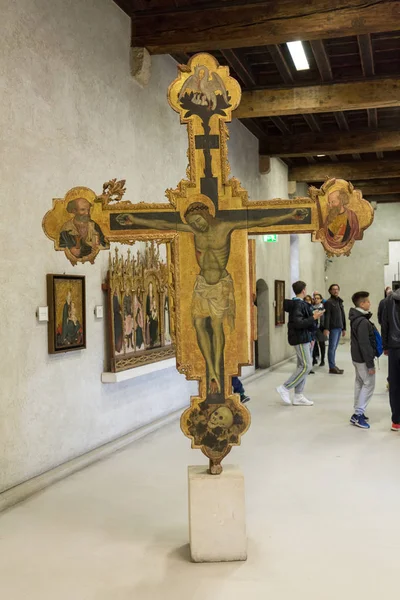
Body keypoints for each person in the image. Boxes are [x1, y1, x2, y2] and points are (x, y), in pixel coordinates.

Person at [117, 196, 308, 397]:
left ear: (207, 215)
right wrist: (135, 220)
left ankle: (218, 369)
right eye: (192, 223)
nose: (196, 225)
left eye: (198, 220)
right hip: (201, 284)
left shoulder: (225, 227)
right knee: (198, 324)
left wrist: (289, 215)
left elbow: (258, 221)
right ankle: (211, 368)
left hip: (220, 286)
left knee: (217, 326)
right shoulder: (193, 231)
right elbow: (162, 223)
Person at [276, 280, 324, 406]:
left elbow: (302, 319)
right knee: (307, 366)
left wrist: (313, 316)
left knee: (301, 366)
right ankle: (285, 387)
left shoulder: (300, 304)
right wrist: (313, 318)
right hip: (300, 338)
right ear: (304, 290)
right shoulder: (298, 305)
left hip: (305, 337)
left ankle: (298, 395)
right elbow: (298, 323)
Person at [348, 291, 376, 429]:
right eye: (368, 301)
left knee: (359, 383)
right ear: (362, 303)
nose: (370, 303)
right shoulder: (363, 321)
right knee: (369, 384)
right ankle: (359, 415)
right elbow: (365, 344)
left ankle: (357, 412)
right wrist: (370, 364)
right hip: (363, 359)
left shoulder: (355, 318)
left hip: (356, 357)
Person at [381, 287, 400, 431]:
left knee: (394, 384)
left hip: (394, 347)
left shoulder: (388, 300)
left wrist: (385, 345)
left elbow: (385, 324)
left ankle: (396, 421)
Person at [324, 283, 346, 374]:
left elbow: (343, 315)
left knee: (334, 348)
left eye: (337, 289)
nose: (335, 290)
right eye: (333, 289)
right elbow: (327, 316)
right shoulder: (329, 302)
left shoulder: (339, 301)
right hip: (333, 328)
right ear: (330, 291)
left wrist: (344, 328)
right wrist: (326, 328)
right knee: (332, 348)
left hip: (339, 327)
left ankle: (333, 365)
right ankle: (331, 367)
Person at [312, 292, 326, 367]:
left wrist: (326, 328)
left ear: (321, 299)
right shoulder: (312, 307)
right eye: (315, 298)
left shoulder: (324, 307)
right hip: (314, 328)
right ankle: (314, 358)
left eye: (318, 298)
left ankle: (323, 359)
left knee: (322, 344)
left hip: (321, 328)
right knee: (314, 344)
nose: (316, 300)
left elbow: (326, 319)